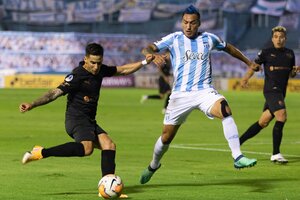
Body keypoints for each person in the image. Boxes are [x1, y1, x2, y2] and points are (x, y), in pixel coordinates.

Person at [139, 5, 259, 185]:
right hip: (180, 95)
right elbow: (147, 47)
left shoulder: (209, 39)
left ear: (199, 23)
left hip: (204, 92)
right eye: (185, 22)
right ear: (181, 22)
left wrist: (248, 63)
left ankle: (237, 156)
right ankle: (153, 165)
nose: (188, 26)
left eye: (192, 23)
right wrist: (151, 55)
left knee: (225, 109)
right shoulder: (174, 39)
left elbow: (229, 48)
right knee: (166, 137)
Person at [19, 43, 154, 194]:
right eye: (93, 63)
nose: (96, 67)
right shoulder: (77, 75)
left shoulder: (101, 70)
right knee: (87, 149)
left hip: (89, 120)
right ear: (85, 59)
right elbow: (54, 93)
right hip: (76, 119)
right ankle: (41, 152)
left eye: (99, 63)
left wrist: (144, 62)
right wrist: (32, 104)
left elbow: (123, 70)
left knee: (109, 145)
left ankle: (107, 187)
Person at [239, 26, 299, 164]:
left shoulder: (290, 54)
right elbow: (254, 66)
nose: (279, 39)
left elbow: (290, 73)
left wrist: (294, 72)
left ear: (285, 39)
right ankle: (276, 154)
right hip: (271, 90)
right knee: (282, 116)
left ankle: (238, 142)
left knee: (263, 122)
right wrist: (245, 78)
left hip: (281, 92)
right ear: (272, 39)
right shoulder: (266, 52)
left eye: (281, 37)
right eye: (276, 37)